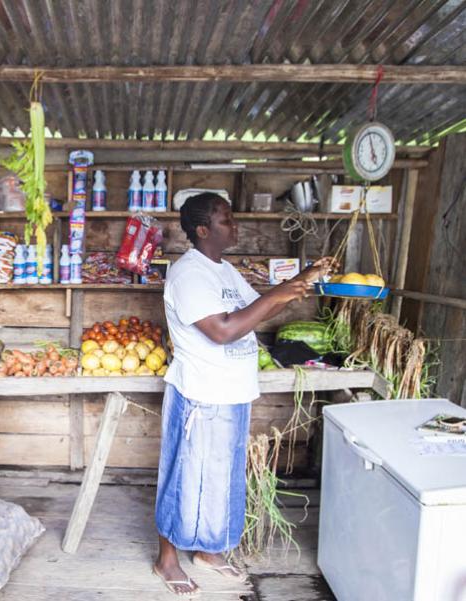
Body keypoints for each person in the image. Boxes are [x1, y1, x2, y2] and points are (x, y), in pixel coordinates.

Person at [152, 193, 334, 597]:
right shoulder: (188, 274)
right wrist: (278, 295)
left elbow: (256, 309)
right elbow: (222, 330)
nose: (234, 226)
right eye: (226, 220)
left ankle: (207, 551)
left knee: (219, 477)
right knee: (184, 476)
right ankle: (166, 558)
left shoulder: (223, 270)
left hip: (232, 391)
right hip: (201, 392)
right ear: (203, 230)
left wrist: (302, 279)